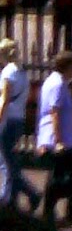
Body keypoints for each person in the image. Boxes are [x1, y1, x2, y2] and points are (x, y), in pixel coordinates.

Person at [36, 50, 72, 229]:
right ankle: (66, 214)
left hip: (59, 139)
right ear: (67, 67)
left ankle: (51, 214)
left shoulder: (56, 82)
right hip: (58, 141)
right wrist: (58, 141)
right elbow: (55, 112)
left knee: (60, 175)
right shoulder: (57, 84)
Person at [0, 37, 39, 212]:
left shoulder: (8, 72)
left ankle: (9, 197)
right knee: (8, 159)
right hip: (18, 119)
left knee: (5, 161)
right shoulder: (21, 71)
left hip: (7, 120)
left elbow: (4, 100)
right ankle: (21, 195)